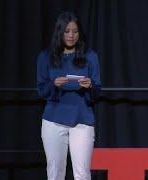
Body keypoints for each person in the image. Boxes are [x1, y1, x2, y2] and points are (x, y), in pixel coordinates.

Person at [36, 11, 101, 180]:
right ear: (59, 32)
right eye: (66, 31)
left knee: (82, 173)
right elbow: (41, 90)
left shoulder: (90, 56)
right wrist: (53, 84)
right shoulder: (45, 57)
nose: (71, 35)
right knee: (55, 172)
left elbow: (97, 92)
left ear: (80, 33)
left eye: (75, 31)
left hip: (82, 119)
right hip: (53, 119)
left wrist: (90, 87)